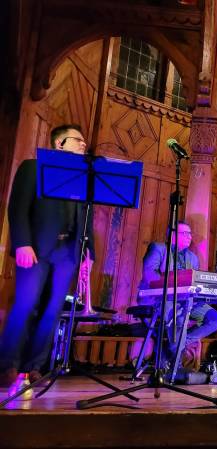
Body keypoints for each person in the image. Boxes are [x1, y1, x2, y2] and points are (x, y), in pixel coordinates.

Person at [0, 124, 95, 387]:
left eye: (83, 141)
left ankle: (35, 367)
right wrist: (22, 243)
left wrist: (88, 254)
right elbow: (17, 208)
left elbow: (87, 219)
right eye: (77, 139)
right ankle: (7, 365)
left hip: (68, 253)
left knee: (52, 310)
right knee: (26, 305)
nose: (83, 144)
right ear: (59, 143)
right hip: (36, 248)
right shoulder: (33, 167)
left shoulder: (82, 178)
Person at [138, 220, 217, 367]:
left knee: (215, 319)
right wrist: (173, 282)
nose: (190, 237)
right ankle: (176, 364)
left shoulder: (193, 257)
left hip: (187, 300)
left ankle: (178, 344)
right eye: (185, 233)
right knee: (179, 318)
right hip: (161, 298)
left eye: (190, 233)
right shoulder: (159, 248)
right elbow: (149, 274)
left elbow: (194, 282)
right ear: (172, 235)